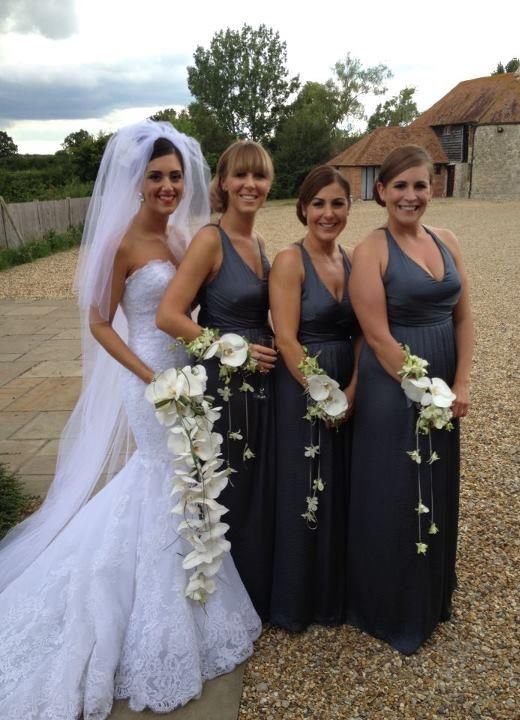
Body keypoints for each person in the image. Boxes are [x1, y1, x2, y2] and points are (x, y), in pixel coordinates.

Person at [0, 120, 260, 720]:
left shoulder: (180, 239)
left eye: (175, 177)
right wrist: (148, 376)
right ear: (136, 183)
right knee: (158, 480)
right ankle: (155, 617)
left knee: (182, 483)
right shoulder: (121, 243)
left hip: (184, 379)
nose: (168, 187)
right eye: (157, 178)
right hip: (147, 379)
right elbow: (97, 322)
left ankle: (189, 597)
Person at [347, 144, 474, 654]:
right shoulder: (371, 250)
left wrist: (459, 385)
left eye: (420, 185)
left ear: (432, 188)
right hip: (393, 386)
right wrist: (426, 393)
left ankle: (430, 595)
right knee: (395, 490)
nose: (411, 195)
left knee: (435, 482)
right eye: (400, 186)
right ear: (381, 191)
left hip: (443, 386)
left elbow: (463, 317)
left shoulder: (448, 240)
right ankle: (389, 605)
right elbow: (376, 337)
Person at [156, 140, 277, 621]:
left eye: (261, 176)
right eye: (241, 176)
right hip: (223, 382)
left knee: (252, 484)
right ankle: (225, 598)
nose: (251, 185)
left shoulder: (259, 243)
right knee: (227, 485)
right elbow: (169, 315)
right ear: (223, 183)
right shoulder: (211, 239)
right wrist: (233, 350)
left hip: (260, 384)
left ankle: (252, 593)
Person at [268, 165, 359, 632]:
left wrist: (353, 390)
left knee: (340, 484)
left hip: (346, 383)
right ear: (303, 207)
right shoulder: (290, 260)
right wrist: (325, 397)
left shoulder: (352, 258)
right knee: (306, 484)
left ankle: (335, 593)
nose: (328, 213)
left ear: (350, 207)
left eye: (337, 203)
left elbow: (363, 332)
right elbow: (285, 338)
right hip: (303, 384)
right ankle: (299, 600)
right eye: (318, 204)